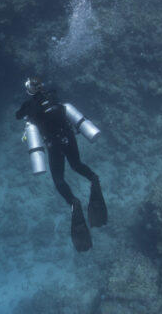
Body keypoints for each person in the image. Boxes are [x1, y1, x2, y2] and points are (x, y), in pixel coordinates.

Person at [16, 77, 107, 252]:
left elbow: (17, 115)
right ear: (41, 86)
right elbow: (56, 91)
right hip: (69, 137)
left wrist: (28, 110)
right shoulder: (53, 94)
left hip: (53, 144)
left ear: (29, 90)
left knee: (59, 180)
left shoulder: (29, 106)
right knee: (77, 164)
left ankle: (73, 202)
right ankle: (94, 179)